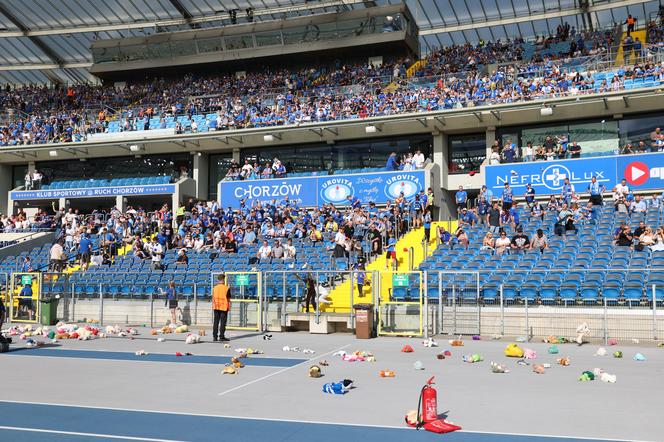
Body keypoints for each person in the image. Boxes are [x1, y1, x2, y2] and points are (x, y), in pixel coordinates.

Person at [211, 274, 231, 342]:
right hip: (223, 307)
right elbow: (229, 297)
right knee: (223, 322)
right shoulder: (226, 288)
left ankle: (215, 337)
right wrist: (229, 288)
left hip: (216, 306)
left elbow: (213, 297)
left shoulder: (214, 288)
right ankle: (221, 336)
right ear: (223, 279)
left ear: (218, 279)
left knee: (216, 322)